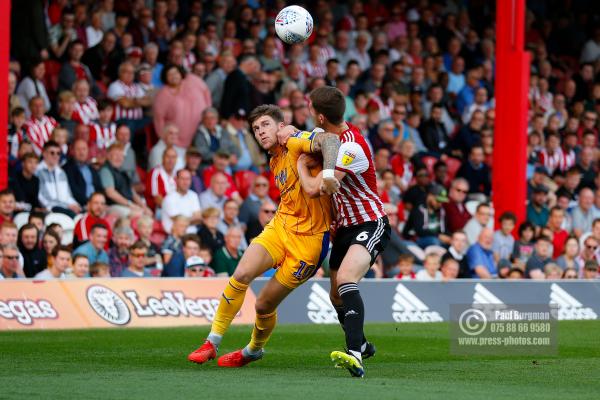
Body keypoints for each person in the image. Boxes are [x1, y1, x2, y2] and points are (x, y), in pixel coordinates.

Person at [188, 104, 338, 371]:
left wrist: (325, 173)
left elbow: (330, 140)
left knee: (263, 304)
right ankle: (211, 341)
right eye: (256, 128)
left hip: (309, 243)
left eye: (266, 125)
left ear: (281, 126)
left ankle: (254, 350)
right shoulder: (274, 157)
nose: (260, 132)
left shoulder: (295, 141)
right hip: (280, 227)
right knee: (242, 274)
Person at [285, 87, 390, 377]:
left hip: (370, 222)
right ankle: (364, 344)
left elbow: (316, 188)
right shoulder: (334, 138)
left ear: (320, 116)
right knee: (336, 296)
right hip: (343, 227)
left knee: (346, 279)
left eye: (309, 110)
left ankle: (354, 354)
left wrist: (300, 166)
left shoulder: (350, 148)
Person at [152, 64, 212, 149]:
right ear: (165, 78)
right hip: (177, 141)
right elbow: (159, 119)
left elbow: (206, 92)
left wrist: (208, 113)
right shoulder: (162, 95)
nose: (174, 76)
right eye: (170, 74)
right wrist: (164, 138)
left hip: (201, 132)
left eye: (176, 73)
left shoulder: (192, 80)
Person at [99, 143, 151, 218]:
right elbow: (111, 193)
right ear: (108, 156)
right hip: (111, 206)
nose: (119, 158)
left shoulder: (122, 172)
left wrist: (144, 207)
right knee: (139, 215)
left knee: (147, 213)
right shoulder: (106, 170)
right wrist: (129, 204)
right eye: (116, 155)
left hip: (126, 205)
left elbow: (132, 193)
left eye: (121, 156)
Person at [35, 140, 81, 218]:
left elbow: (68, 195)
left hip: (65, 209)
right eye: (52, 153)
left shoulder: (62, 172)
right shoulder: (38, 172)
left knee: (82, 214)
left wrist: (75, 205)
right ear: (44, 153)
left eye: (58, 153)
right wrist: (66, 206)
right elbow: (41, 198)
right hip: (50, 211)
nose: (55, 156)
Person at [63, 138, 103, 208]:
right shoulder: (67, 169)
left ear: (88, 151)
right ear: (72, 151)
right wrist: (90, 203)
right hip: (80, 205)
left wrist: (101, 202)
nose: (81, 153)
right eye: (78, 149)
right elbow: (74, 192)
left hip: (97, 204)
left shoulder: (92, 169)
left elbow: (99, 188)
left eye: (84, 149)